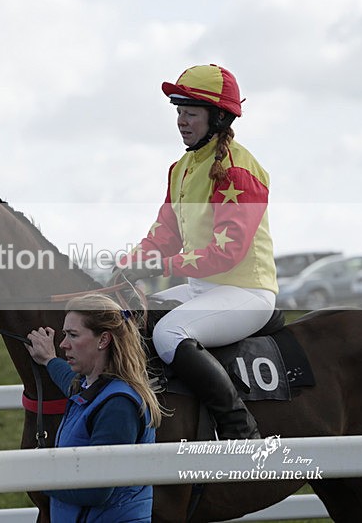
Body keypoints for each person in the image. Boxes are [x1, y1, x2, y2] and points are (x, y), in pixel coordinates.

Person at [111, 64, 278, 440]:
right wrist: (125, 266)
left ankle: (240, 429)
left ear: (218, 117)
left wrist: (154, 266)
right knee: (131, 318)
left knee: (170, 331)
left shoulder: (238, 169)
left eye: (191, 113)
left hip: (246, 292)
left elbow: (227, 252)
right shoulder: (181, 168)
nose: (182, 121)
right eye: (178, 112)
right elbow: (164, 236)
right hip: (203, 289)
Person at [25, 293, 162, 522]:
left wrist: (36, 475)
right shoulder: (92, 388)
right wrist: (50, 360)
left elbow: (95, 490)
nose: (63, 344)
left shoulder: (118, 406)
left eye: (73, 335)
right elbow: (69, 382)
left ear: (103, 340)